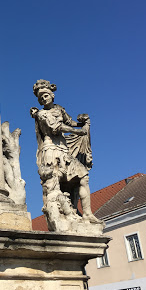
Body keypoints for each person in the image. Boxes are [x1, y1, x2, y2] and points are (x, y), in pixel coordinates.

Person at [31, 79, 100, 225]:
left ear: (52, 95)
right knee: (54, 185)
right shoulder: (41, 114)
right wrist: (77, 131)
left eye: (46, 95)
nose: (44, 98)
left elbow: (69, 122)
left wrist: (83, 123)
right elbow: (57, 127)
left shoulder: (59, 109)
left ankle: (87, 214)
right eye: (41, 97)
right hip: (51, 151)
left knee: (83, 177)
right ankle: (60, 217)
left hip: (64, 150)